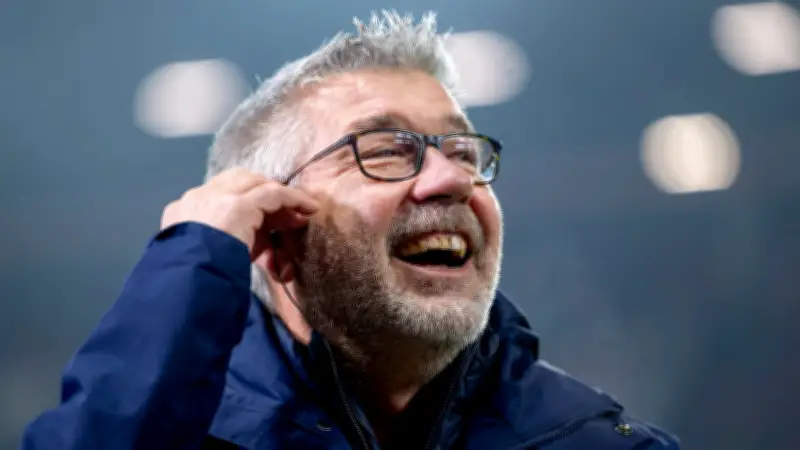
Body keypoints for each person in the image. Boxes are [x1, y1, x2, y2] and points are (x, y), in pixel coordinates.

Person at [20, 11, 680, 450]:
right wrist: (192, 259)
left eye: (462, 151)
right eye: (385, 150)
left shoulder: (598, 442)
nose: (449, 180)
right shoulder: (189, 435)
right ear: (272, 233)